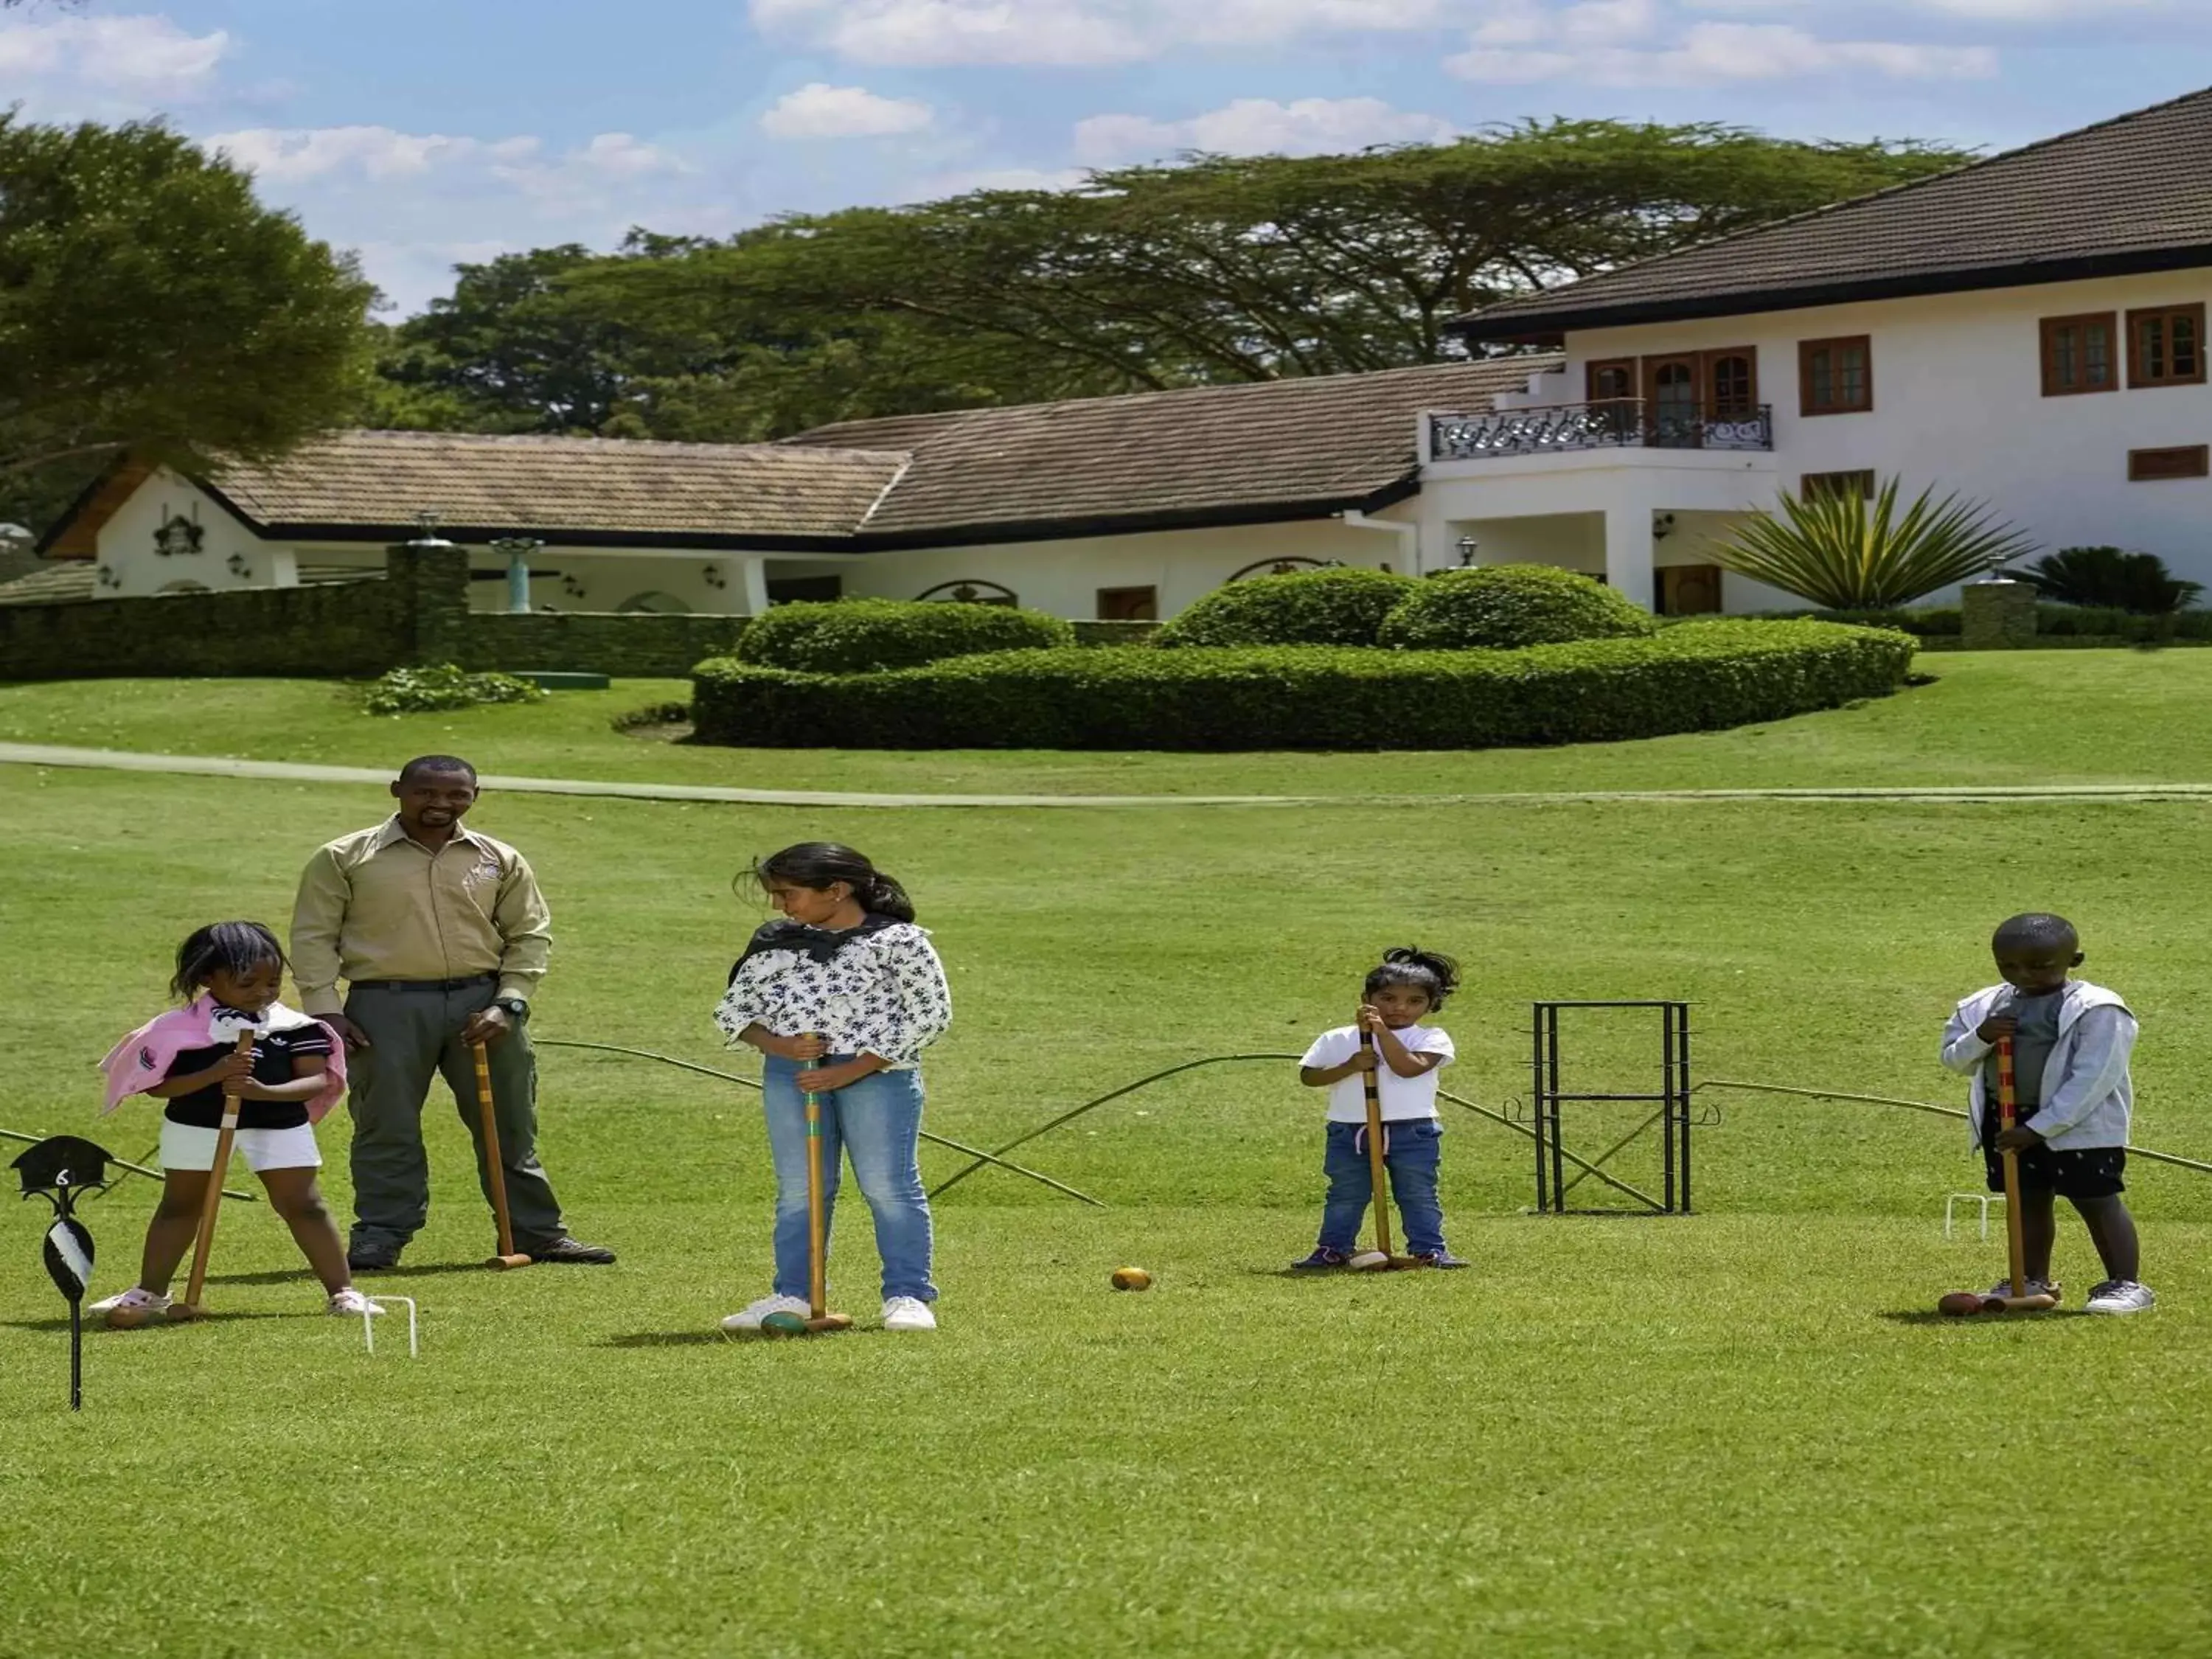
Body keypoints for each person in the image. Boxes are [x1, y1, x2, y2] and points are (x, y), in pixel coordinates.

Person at [289, 754, 612, 1270]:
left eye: (456, 794)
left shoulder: (499, 859)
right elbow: (312, 937)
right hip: (382, 1006)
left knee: (509, 1125)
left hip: (484, 1006)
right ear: (398, 790)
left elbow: (529, 937)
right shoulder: (344, 856)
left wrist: (510, 1003)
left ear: (475, 795)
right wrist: (326, 1012)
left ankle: (538, 1233)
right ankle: (380, 1235)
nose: (441, 803)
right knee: (385, 1124)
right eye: (426, 792)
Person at [714, 843, 952, 1334]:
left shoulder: (900, 943)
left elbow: (930, 1016)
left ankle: (908, 1296)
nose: (781, 905)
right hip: (794, 1077)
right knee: (800, 1188)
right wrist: (781, 1047)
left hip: (878, 1076)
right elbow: (735, 1015)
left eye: (789, 893)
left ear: (837, 890)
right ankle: (794, 1295)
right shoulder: (777, 942)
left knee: (888, 1186)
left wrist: (852, 1069)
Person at [91, 922, 381, 1323]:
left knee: (304, 1205)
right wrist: (215, 1073)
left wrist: (261, 1091)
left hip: (278, 1125)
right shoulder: (177, 1030)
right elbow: (158, 1087)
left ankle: (343, 1292)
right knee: (179, 1206)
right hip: (195, 1124)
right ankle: (150, 1292)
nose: (263, 993)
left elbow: (316, 1079)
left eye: (273, 983)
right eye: (248, 984)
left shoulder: (294, 1029)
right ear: (208, 978)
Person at [1941, 912, 2152, 1314]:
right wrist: (1982, 1036)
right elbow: (1955, 1060)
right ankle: (2031, 1278)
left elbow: (2093, 1079)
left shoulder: (2099, 1009)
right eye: (2009, 966)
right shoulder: (1983, 1005)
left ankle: (2125, 1284)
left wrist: (2038, 1128)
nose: (2024, 975)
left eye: (2040, 966)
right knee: (2028, 1200)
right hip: (2005, 1117)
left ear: (2074, 960)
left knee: (2096, 1199)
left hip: (2079, 1124)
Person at [1292, 947, 1468, 1271]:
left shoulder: (1431, 1038)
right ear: (1367, 998)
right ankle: (1333, 1248)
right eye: (1387, 998)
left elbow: (1408, 1068)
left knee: (1417, 1192)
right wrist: (1349, 1066)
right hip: (1349, 1128)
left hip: (1412, 1130)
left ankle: (1429, 1250)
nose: (1399, 1008)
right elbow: (1310, 1076)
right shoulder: (1337, 1038)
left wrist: (1382, 1034)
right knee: (1346, 1193)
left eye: (1414, 1001)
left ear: (1431, 1005)